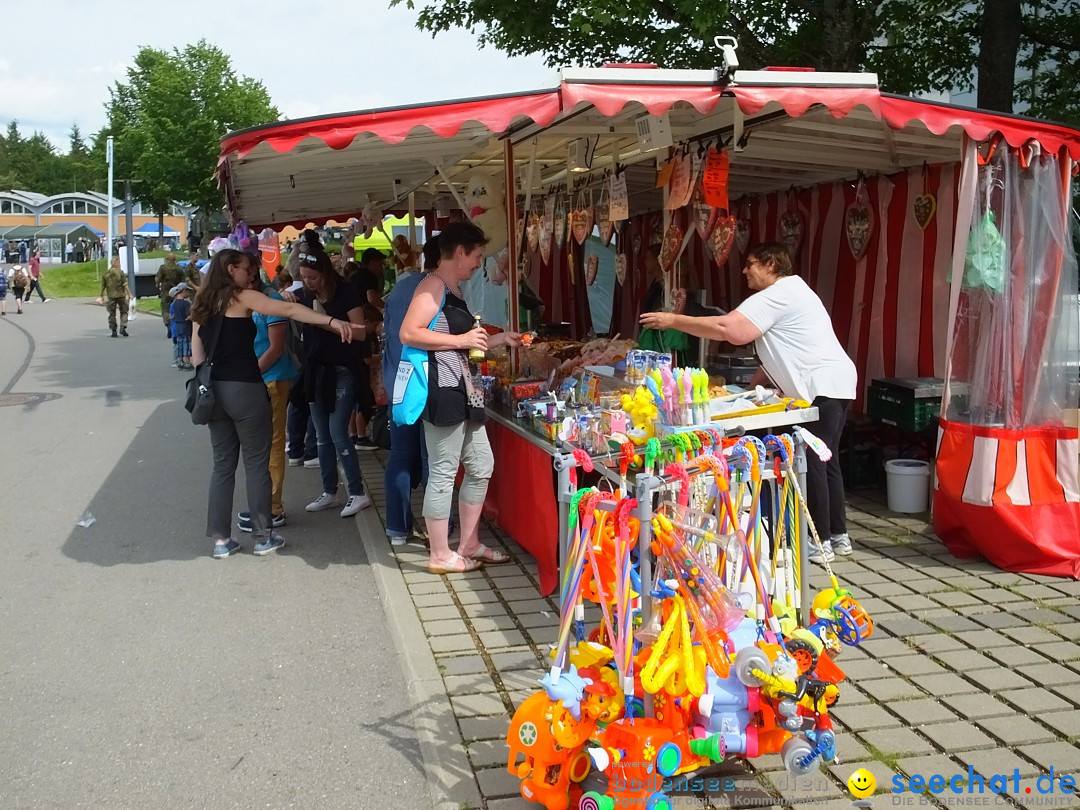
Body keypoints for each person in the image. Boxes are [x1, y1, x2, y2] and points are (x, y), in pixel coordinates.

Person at [640, 241, 857, 564]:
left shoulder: (780, 293)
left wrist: (674, 320)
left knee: (812, 460)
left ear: (771, 265)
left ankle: (818, 540)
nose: (744, 271)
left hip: (820, 386)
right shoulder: (795, 293)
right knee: (827, 460)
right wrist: (748, 391)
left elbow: (731, 329)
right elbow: (777, 350)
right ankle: (838, 536)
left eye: (751, 263)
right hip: (836, 384)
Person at [191, 248, 360, 559]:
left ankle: (220, 541)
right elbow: (290, 312)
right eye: (246, 269)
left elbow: (197, 357)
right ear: (230, 270)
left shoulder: (201, 304)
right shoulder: (240, 297)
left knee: (222, 466)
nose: (252, 275)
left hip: (213, 392)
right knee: (257, 463)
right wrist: (333, 322)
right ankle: (262, 536)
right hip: (245, 388)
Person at [399, 221, 521, 574]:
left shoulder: (453, 289)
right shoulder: (432, 285)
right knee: (443, 470)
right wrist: (461, 341)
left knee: (482, 464)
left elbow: (463, 339)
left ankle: (468, 542)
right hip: (442, 390)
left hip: (464, 389)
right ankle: (439, 553)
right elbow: (409, 332)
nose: (478, 264)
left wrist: (499, 340)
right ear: (460, 253)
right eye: (477, 256)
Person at [291, 229, 373, 518]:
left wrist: (325, 321)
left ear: (324, 273)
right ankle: (329, 491)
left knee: (339, 431)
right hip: (315, 371)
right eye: (303, 277)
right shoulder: (301, 295)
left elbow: (360, 332)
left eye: (312, 277)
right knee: (322, 435)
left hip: (342, 369)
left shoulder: (346, 291)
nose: (308, 282)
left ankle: (357, 492)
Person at [238, 270, 299, 533]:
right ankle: (263, 503)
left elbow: (275, 348)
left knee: (273, 443)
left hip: (271, 378)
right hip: (254, 380)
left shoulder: (271, 300)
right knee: (258, 445)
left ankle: (272, 507)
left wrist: (251, 373)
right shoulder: (242, 299)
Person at [382, 236, 433, 545]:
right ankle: (436, 530)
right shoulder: (435, 290)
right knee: (431, 459)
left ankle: (397, 527)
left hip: (398, 382)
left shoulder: (400, 288)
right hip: (426, 384)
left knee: (401, 454)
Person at [97, 257, 130, 337]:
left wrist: (101, 295)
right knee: (124, 311)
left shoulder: (106, 273)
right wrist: (129, 294)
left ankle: (113, 330)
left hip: (111, 296)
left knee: (112, 313)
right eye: (118, 262)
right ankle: (123, 326)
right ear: (115, 263)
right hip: (121, 295)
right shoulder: (120, 272)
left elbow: (103, 286)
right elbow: (125, 284)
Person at [156, 252, 185, 338]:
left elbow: (158, 278)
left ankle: (168, 323)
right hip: (176, 291)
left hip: (165, 291)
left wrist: (157, 285)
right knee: (176, 308)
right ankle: (175, 326)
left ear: (167, 259)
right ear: (174, 259)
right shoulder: (178, 268)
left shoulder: (163, 268)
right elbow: (183, 280)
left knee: (165, 308)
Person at [169, 283, 193, 365]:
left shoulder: (174, 304)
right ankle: (187, 361)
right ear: (184, 291)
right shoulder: (186, 303)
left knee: (180, 343)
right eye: (188, 291)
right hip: (185, 326)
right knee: (186, 343)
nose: (189, 293)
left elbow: (172, 316)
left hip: (178, 326)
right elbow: (188, 315)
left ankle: (179, 361)